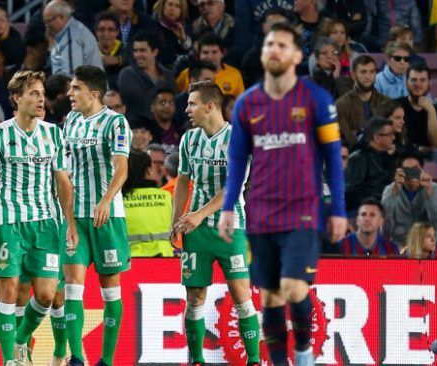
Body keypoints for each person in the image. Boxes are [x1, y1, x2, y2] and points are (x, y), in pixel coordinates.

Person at [218, 23, 347, 366]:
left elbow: (333, 156)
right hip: (261, 212)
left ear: (296, 55)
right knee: (271, 296)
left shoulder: (316, 99)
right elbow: (237, 159)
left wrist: (338, 209)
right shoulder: (247, 103)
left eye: (282, 45)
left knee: (293, 287)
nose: (274, 50)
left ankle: (303, 352)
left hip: (303, 210)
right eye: (269, 45)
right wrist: (229, 206)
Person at [0, 71, 77, 366]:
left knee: (45, 295)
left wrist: (69, 222)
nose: (40, 99)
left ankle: (19, 341)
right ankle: (9, 360)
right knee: (7, 291)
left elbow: (62, 181)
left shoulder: (54, 133)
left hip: (45, 223)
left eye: (42, 94)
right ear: (17, 99)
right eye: (33, 94)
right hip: (8, 222)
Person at [172, 81, 260, 365]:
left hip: (230, 228)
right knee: (195, 295)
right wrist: (176, 221)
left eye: (192, 103)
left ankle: (254, 360)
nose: (187, 109)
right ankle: (196, 359)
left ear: (210, 106)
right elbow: (183, 181)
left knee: (240, 292)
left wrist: (198, 215)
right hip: (196, 232)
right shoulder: (189, 140)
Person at [61, 65, 130, 366]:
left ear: (94, 93)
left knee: (109, 286)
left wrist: (105, 200)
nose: (69, 94)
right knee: (72, 282)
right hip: (75, 217)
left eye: (75, 88)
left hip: (107, 216)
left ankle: (107, 360)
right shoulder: (71, 122)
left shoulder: (115, 123)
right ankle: (77, 357)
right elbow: (64, 172)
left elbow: (122, 167)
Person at [381, 153, 437, 245]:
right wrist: (395, 191)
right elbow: (385, 219)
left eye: (415, 169)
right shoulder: (391, 189)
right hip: (400, 242)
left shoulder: (434, 188)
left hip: (427, 243)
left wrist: (429, 192)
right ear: (400, 171)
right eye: (407, 170)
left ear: (422, 169)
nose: (411, 173)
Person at [122, 149, 173, 257]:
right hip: (164, 258)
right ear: (149, 170)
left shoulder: (117, 201)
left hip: (129, 259)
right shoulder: (167, 197)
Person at [116, 32, 175, 119]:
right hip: (139, 127)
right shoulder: (126, 75)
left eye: (142, 50)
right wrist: (160, 84)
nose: (138, 55)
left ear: (155, 52)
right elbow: (142, 105)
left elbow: (172, 103)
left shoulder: (167, 74)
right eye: (135, 51)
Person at [345, 117, 398, 212]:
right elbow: (351, 194)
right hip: (364, 210)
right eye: (390, 134)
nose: (394, 138)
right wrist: (383, 193)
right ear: (377, 138)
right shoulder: (358, 158)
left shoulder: (389, 158)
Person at [336, 55, 390, 147]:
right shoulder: (341, 104)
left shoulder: (386, 102)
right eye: (363, 72)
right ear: (353, 75)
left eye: (372, 72)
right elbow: (348, 139)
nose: (368, 76)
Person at [44, 0, 103, 75]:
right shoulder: (69, 31)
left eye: (48, 21)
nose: (47, 26)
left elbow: (71, 77)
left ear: (61, 18)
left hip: (88, 86)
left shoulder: (72, 37)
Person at [397, 66, 437, 158]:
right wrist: (419, 148)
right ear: (407, 83)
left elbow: (436, 142)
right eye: (414, 80)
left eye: (422, 80)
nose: (418, 84)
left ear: (429, 84)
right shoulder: (397, 105)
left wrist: (431, 111)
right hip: (405, 155)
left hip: (430, 156)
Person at [176, 33, 245, 97]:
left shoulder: (235, 74)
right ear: (199, 55)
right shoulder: (187, 73)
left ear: (222, 53)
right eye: (205, 52)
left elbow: (241, 104)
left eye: (214, 52)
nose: (210, 56)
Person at [192, 0, 248, 66]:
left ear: (222, 7)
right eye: (202, 5)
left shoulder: (237, 25)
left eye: (210, 3)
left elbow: (240, 49)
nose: (205, 7)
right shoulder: (193, 28)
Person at [151, 0, 193, 68]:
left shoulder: (186, 27)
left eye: (177, 6)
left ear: (181, 10)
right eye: (170, 4)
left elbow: (190, 52)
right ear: (163, 6)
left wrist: (183, 38)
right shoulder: (151, 25)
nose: (172, 9)